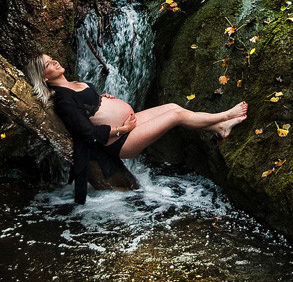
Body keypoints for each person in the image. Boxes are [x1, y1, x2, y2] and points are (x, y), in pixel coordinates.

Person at [24, 54, 248, 203]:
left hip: (129, 125)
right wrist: (121, 130)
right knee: (176, 115)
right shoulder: (62, 99)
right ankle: (225, 116)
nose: (54, 62)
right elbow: (87, 133)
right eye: (47, 64)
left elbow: (89, 107)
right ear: (43, 77)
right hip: (121, 141)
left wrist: (101, 99)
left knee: (172, 106)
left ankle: (220, 126)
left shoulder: (71, 84)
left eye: (52, 59)